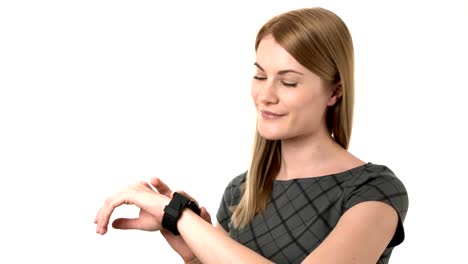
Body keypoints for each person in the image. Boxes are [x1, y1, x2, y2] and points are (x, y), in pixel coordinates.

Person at [94, 7, 408, 264]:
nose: (265, 95)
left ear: (334, 92)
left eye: (288, 82)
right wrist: (193, 252)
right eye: (259, 75)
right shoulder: (240, 192)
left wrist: (179, 217)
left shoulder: (373, 191)